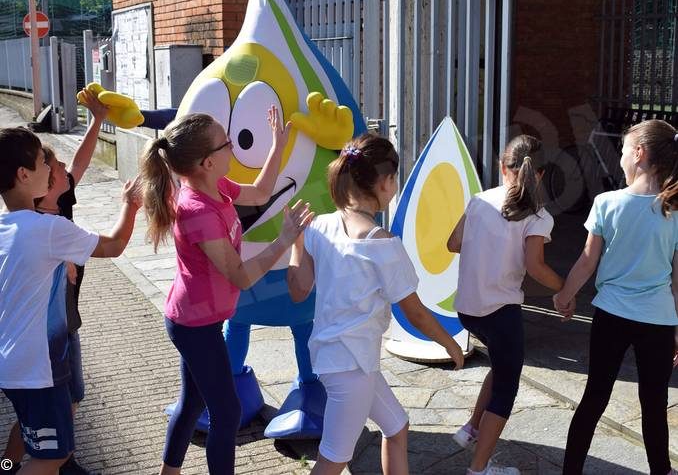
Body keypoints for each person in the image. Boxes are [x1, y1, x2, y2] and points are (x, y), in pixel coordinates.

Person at [139, 108, 313, 475]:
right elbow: (241, 276)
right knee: (226, 411)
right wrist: (284, 240)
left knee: (192, 404)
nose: (232, 149)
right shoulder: (196, 210)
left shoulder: (216, 187)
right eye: (227, 144)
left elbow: (263, 191)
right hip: (194, 325)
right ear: (206, 162)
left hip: (201, 319)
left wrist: (278, 145)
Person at [287, 134, 465, 475]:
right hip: (351, 368)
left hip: (342, 360)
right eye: (395, 179)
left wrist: (296, 241)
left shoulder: (319, 226)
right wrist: (450, 344)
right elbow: (413, 311)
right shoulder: (383, 245)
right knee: (333, 461)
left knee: (397, 427)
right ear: (384, 182)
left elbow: (298, 291)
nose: (395, 186)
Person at [0, 126, 141, 475]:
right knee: (54, 456)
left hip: (11, 364)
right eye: (42, 163)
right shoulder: (48, 229)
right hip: (39, 369)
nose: (50, 168)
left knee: (27, 429)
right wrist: (130, 206)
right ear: (24, 175)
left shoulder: (6, 229)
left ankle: (4, 466)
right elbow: (114, 245)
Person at [554, 120, 678, 475]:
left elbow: (586, 261)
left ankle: (571, 471)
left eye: (623, 151)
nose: (620, 158)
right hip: (658, 320)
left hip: (611, 315)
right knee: (654, 403)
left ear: (639, 154)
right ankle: (661, 470)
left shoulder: (606, 203)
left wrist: (565, 295)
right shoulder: (674, 211)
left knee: (595, 397)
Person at [447, 134, 567, 475]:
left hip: (468, 308)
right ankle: (479, 468)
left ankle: (471, 427)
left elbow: (452, 243)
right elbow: (535, 267)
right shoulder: (539, 215)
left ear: (503, 167)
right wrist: (565, 288)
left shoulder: (478, 200)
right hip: (500, 311)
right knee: (507, 386)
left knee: (501, 365)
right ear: (540, 174)